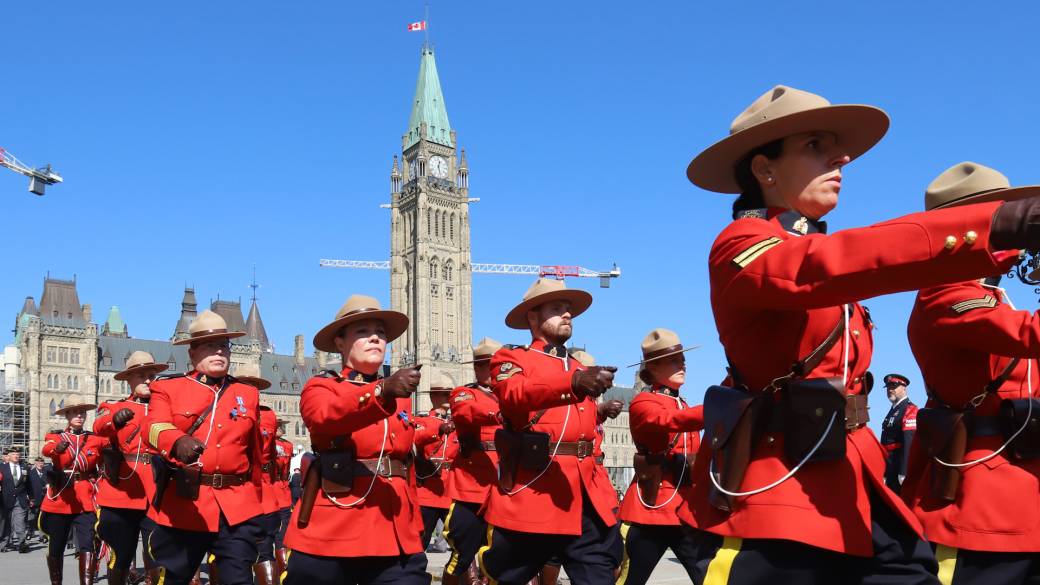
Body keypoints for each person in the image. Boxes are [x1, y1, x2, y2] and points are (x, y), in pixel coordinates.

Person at [678, 84, 1040, 583]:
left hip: (849, 477)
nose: (843, 157)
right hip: (774, 491)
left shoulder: (814, 255)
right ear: (765, 168)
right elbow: (824, 265)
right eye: (815, 146)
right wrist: (997, 225)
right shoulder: (743, 243)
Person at [902, 162, 1040, 585]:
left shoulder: (995, 295)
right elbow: (1028, 334)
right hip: (980, 495)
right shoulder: (945, 293)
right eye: (1005, 216)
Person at [478, 278, 620, 585]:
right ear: (533, 316)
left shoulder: (579, 368)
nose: (567, 315)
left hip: (583, 498)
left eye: (569, 310)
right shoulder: (512, 358)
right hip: (533, 496)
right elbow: (515, 395)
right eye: (557, 309)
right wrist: (572, 384)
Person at [282, 294, 429, 585]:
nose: (375, 338)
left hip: (394, 526)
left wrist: (415, 522)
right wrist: (381, 392)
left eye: (381, 333)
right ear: (340, 343)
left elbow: (404, 463)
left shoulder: (400, 397)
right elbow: (325, 416)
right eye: (363, 332)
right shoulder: (322, 387)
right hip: (336, 523)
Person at [143, 310, 265, 585]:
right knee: (175, 578)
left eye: (224, 346)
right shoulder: (169, 389)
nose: (219, 352)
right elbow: (151, 426)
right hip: (187, 502)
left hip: (236, 505)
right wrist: (176, 440)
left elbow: (255, 455)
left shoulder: (247, 394)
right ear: (192, 353)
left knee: (239, 580)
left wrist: (258, 504)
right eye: (210, 346)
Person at [616, 329, 704, 585]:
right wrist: (717, 406)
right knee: (632, 579)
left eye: (682, 359)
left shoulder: (684, 404)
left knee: (708, 578)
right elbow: (668, 421)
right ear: (653, 368)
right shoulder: (643, 402)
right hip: (651, 510)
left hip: (683, 510)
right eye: (674, 360)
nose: (682, 364)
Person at [93, 351, 168, 585]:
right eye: (141, 375)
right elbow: (99, 427)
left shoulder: (165, 410)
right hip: (123, 491)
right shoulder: (114, 407)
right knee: (121, 556)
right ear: (128, 379)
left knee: (158, 555)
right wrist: (114, 421)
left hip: (157, 492)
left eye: (152, 375)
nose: (148, 380)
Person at [442, 337, 502, 585]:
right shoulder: (464, 392)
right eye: (488, 365)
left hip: (504, 487)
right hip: (472, 488)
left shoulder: (512, 395)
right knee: (462, 555)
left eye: (498, 366)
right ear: (477, 368)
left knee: (501, 557)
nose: (494, 371)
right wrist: (497, 413)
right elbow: (465, 411)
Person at [40, 402, 105, 585]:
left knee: (87, 543)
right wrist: (56, 450)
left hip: (85, 496)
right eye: (75, 413)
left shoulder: (95, 439)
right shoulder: (56, 436)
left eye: (82, 413)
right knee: (57, 545)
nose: (79, 416)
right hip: (61, 496)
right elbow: (47, 449)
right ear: (67, 416)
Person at [235, 363, 280, 585]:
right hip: (264, 490)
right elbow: (271, 457)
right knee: (263, 550)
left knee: (240, 552)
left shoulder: (232, 413)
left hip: (243, 490)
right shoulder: (269, 416)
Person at [413, 370, 457, 553]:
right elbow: (415, 438)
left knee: (460, 545)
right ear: (433, 396)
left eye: (451, 394)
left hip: (451, 491)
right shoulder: (422, 421)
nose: (449, 397)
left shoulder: (458, 424)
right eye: (444, 394)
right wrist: (439, 429)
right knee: (419, 544)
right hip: (427, 492)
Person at [880, 373, 918, 493]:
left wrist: (904, 471)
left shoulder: (909, 409)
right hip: (889, 466)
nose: (890, 390)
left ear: (904, 388)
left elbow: (908, 440)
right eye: (888, 387)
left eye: (894, 386)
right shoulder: (892, 411)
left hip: (898, 466)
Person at [2, 447, 30, 553]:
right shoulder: (2, 468)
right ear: (8, 456)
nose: (16, 456)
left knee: (20, 522)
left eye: (18, 454)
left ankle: (22, 544)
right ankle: (4, 543)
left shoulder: (24, 468)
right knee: (6, 523)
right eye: (13, 454)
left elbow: (28, 484)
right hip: (5, 499)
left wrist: (31, 497)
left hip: (20, 499)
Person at [27, 457, 47, 542]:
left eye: (42, 463)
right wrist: (30, 498)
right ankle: (30, 532)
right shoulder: (30, 473)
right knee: (32, 517)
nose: (40, 464)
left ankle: (42, 535)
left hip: (44, 499)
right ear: (35, 463)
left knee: (42, 518)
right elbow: (27, 487)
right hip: (34, 498)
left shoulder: (46, 473)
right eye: (38, 462)